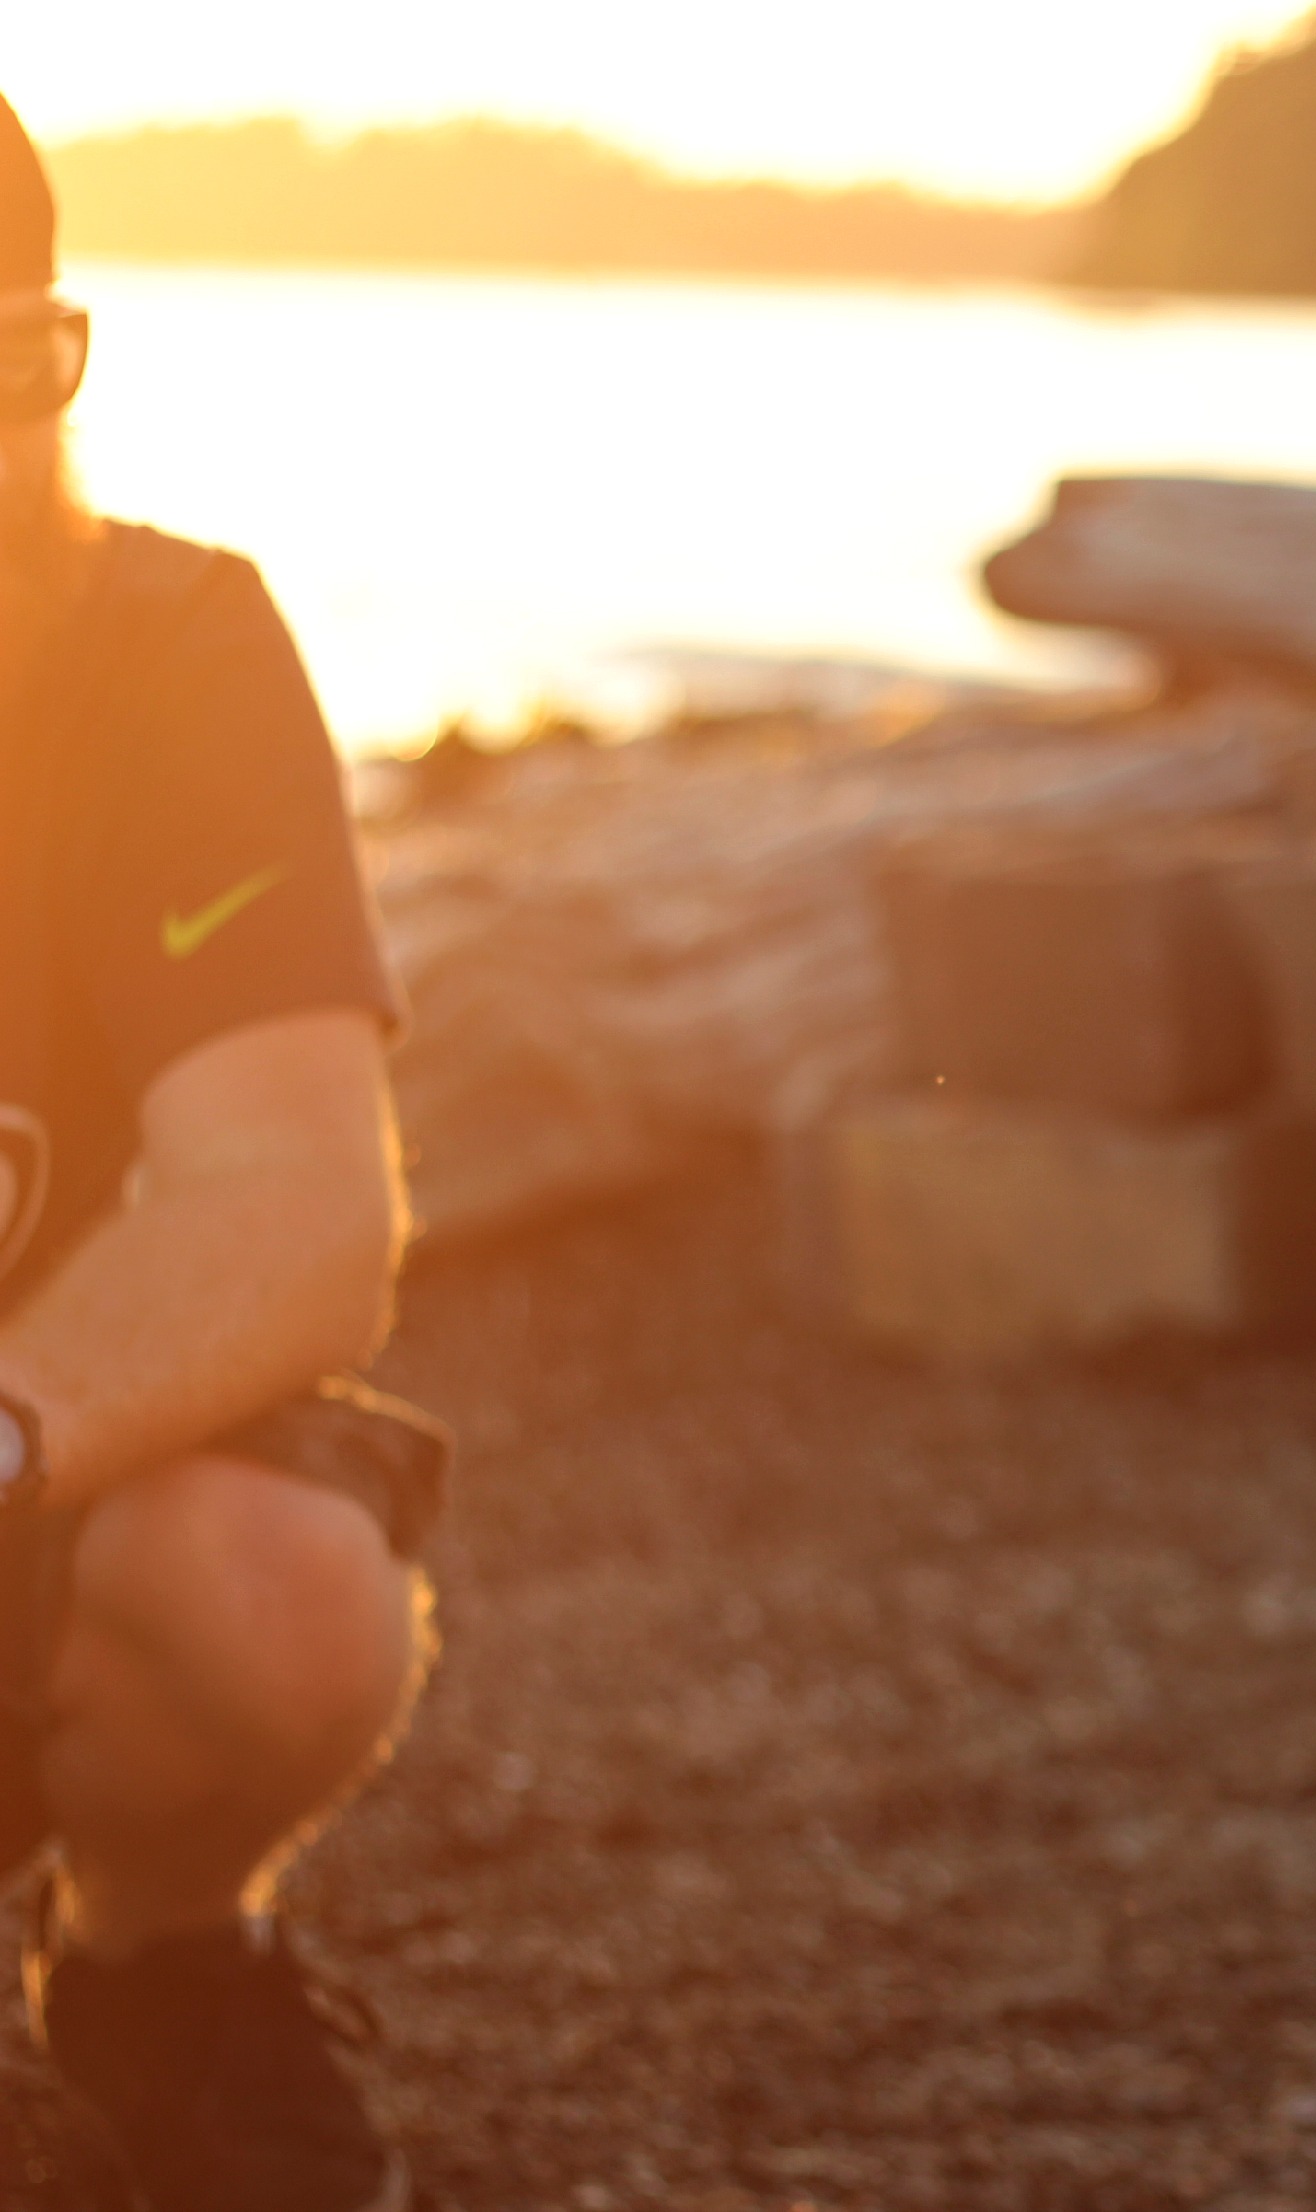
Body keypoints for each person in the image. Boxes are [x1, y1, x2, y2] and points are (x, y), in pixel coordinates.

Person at [0, 93, 446, 2212]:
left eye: (15, 359)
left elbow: (301, 1204)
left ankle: (161, 1966)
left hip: (28, 1490)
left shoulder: (163, 654)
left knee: (284, 1598)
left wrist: (2, 1438)